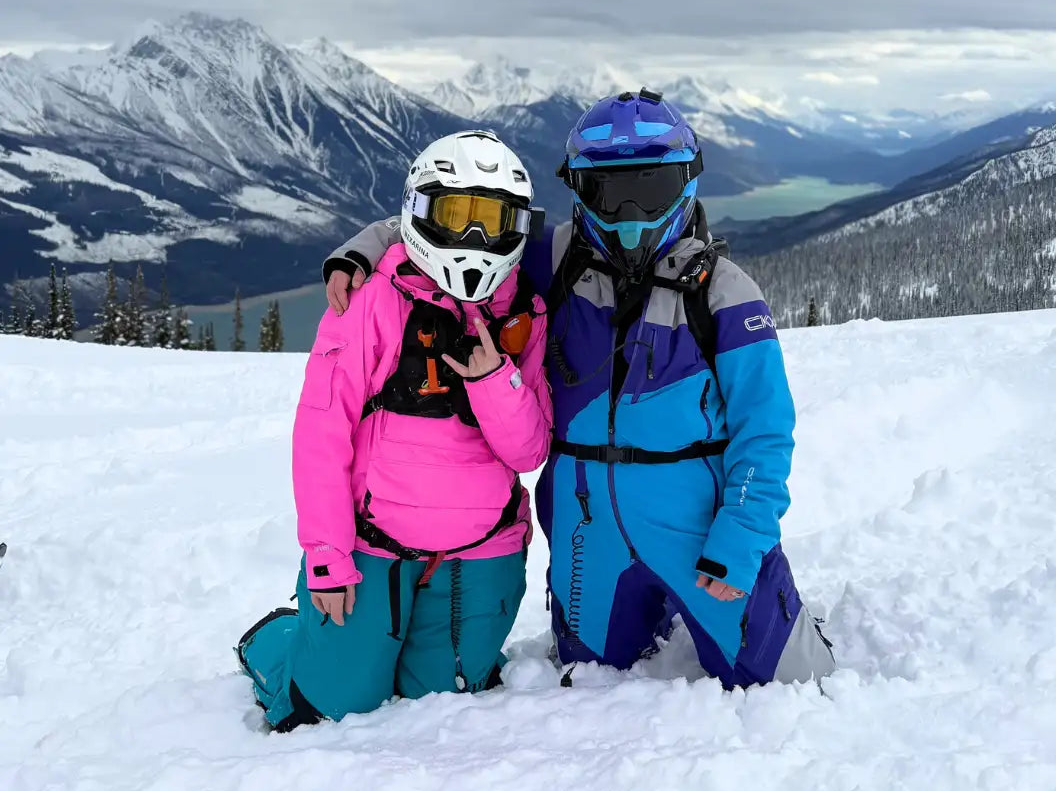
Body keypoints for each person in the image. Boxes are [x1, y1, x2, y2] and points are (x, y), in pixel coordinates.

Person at [323, 92, 835, 689]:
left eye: (651, 189)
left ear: (686, 184)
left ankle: (737, 609)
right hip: (589, 530)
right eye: (606, 194)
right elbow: (456, 230)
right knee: (588, 675)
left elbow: (765, 430)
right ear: (578, 190)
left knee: (792, 683)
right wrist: (369, 243)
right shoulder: (558, 258)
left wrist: (743, 536)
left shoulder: (723, 294)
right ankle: (655, 606)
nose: (629, 215)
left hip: (698, 531)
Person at [237, 131, 552, 730]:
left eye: (492, 220)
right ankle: (280, 642)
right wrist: (327, 556)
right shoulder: (372, 298)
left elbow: (530, 450)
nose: (473, 238)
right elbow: (321, 434)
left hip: (481, 548)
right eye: (455, 215)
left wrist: (494, 380)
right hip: (370, 545)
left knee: (442, 700)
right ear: (420, 210)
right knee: (326, 708)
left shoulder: (522, 313)